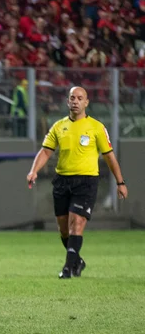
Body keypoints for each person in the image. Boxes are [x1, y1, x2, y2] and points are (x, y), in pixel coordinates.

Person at [27, 86, 128, 279]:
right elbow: (46, 151)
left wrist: (120, 182)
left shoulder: (96, 127)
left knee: (77, 223)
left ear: (86, 102)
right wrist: (34, 171)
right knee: (64, 228)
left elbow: (109, 156)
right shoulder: (58, 126)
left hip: (86, 181)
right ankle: (78, 261)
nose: (75, 101)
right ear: (67, 101)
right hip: (62, 181)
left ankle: (67, 268)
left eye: (80, 98)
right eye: (72, 97)